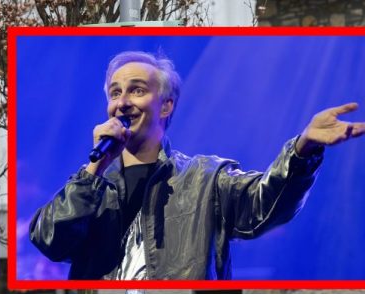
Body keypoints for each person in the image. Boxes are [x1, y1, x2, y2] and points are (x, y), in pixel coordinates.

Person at [29, 50, 365, 280]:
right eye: (115, 93)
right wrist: (95, 169)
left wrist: (303, 149)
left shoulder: (206, 179)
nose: (123, 102)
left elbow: (266, 204)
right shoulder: (90, 186)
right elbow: (49, 240)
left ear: (165, 106)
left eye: (137, 90)